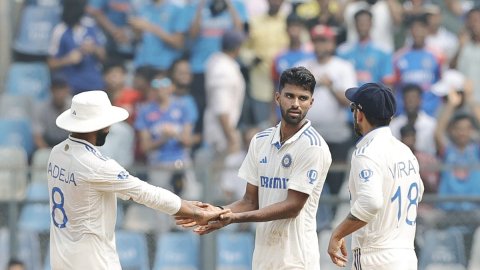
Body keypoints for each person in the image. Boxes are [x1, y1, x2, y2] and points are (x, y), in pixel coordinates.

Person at [48, 90, 226, 270]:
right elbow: (146, 193)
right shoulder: (97, 165)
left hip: (61, 257)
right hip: (93, 261)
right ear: (100, 125)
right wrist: (195, 211)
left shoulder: (56, 153)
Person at [178, 66, 333, 269]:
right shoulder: (260, 140)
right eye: (289, 96)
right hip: (263, 258)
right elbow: (251, 200)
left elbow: (293, 207)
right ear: (277, 97)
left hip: (296, 260)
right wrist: (218, 212)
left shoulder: (313, 146)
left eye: (303, 98)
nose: (296, 104)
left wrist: (233, 219)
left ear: (311, 103)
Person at [327, 82, 424, 270]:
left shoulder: (366, 153)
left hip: (375, 256)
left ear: (360, 113)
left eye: (353, 108)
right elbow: (418, 190)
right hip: (406, 256)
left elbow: (370, 202)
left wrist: (338, 234)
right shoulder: (404, 151)